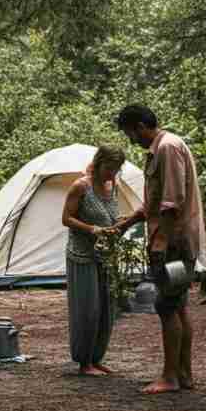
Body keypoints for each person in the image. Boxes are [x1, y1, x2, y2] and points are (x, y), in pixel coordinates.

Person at [113, 105, 206, 394]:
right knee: (178, 306)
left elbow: (171, 203)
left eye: (130, 132)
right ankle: (184, 374)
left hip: (174, 242)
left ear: (140, 126)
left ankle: (170, 377)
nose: (131, 139)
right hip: (174, 240)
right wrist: (127, 222)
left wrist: (161, 244)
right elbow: (154, 203)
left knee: (167, 306)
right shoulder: (165, 147)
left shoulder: (167, 148)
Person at [61, 146, 126, 376]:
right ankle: (84, 361)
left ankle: (97, 358)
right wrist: (92, 229)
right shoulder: (81, 186)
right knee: (88, 309)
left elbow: (112, 216)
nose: (112, 173)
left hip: (106, 256)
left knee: (106, 310)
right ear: (99, 163)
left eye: (117, 169)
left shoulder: (112, 186)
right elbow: (66, 218)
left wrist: (122, 223)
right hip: (82, 255)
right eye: (109, 168)